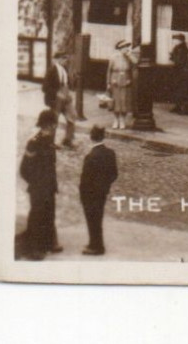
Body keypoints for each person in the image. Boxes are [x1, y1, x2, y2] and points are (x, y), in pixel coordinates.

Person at [18, 110, 61, 260]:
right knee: (37, 216)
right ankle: (34, 249)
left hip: (49, 186)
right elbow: (24, 169)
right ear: (46, 125)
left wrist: (50, 184)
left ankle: (49, 243)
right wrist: (36, 183)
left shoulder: (49, 141)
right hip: (38, 188)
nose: (55, 127)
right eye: (53, 124)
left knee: (49, 214)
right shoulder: (34, 143)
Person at [78, 124, 119, 255]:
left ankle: (96, 246)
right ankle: (96, 243)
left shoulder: (90, 157)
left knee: (92, 219)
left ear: (91, 137)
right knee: (98, 218)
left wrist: (83, 195)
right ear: (103, 136)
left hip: (90, 194)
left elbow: (84, 181)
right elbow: (114, 174)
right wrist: (105, 185)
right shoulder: (110, 153)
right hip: (102, 193)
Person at [43, 52, 77, 148]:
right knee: (54, 120)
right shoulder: (51, 71)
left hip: (66, 98)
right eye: (63, 58)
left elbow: (67, 84)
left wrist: (69, 93)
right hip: (56, 99)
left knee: (72, 116)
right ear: (57, 59)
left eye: (66, 58)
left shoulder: (65, 69)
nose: (66, 60)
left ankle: (68, 140)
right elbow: (45, 87)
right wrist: (56, 93)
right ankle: (50, 142)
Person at [107, 39, 135, 131]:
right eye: (124, 47)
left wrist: (130, 55)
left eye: (127, 47)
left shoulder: (128, 57)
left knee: (124, 101)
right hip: (115, 78)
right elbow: (109, 71)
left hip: (125, 79)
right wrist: (109, 82)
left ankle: (122, 120)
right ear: (120, 48)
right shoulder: (113, 57)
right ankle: (116, 119)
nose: (126, 49)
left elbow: (135, 64)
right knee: (116, 101)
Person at [169, 33, 188, 115]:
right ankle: (179, 106)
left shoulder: (181, 48)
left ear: (180, 40)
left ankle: (183, 108)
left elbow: (179, 61)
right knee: (179, 89)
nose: (174, 41)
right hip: (181, 71)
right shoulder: (180, 48)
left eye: (176, 39)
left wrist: (172, 57)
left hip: (182, 72)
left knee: (182, 89)